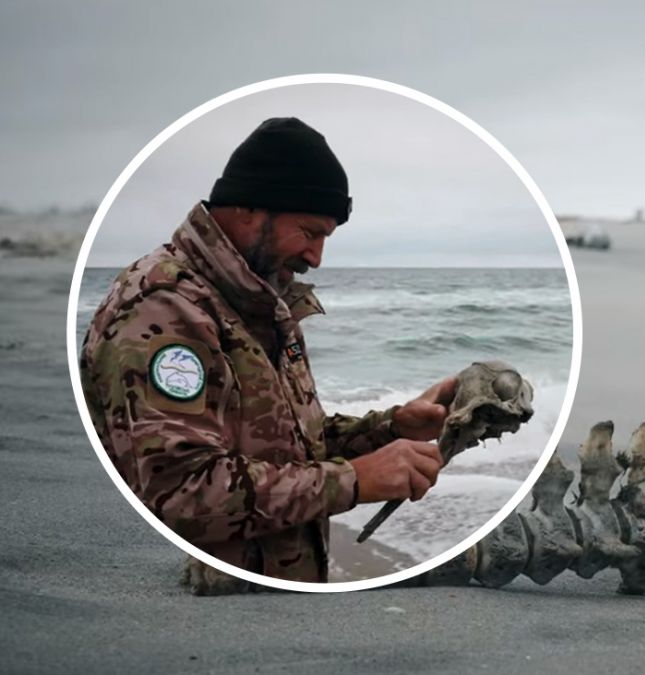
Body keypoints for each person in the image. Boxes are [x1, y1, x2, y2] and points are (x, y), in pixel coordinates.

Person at [80, 117, 456, 592]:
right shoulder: (164, 307)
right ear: (250, 210)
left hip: (274, 605)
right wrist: (355, 481)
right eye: (309, 232)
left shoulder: (259, 304)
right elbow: (183, 495)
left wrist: (393, 428)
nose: (316, 257)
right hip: (208, 621)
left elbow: (293, 449)